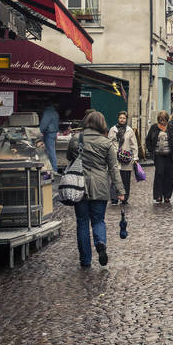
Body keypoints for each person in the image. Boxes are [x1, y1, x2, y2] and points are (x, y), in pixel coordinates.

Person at [67, 111, 124, 267]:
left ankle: (85, 260)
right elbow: (113, 168)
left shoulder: (76, 139)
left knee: (82, 222)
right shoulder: (106, 143)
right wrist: (120, 190)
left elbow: (69, 158)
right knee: (98, 220)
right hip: (100, 186)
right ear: (101, 124)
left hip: (79, 185)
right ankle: (100, 243)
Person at [145, 110, 173, 203]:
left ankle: (167, 196)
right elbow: (148, 140)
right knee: (159, 174)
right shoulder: (154, 128)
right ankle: (158, 195)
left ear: (167, 119)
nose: (162, 122)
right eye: (161, 120)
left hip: (170, 156)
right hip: (158, 156)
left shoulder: (172, 128)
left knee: (169, 176)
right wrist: (151, 150)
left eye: (164, 120)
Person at [107, 111, 138, 205]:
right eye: (120, 118)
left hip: (126, 159)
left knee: (125, 179)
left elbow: (134, 145)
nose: (122, 119)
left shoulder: (130, 130)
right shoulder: (113, 129)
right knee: (114, 178)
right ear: (118, 118)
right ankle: (114, 198)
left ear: (126, 119)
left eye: (124, 118)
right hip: (115, 158)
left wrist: (135, 157)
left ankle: (124, 198)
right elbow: (109, 142)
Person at [39, 103, 60, 172]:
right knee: (52, 152)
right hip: (53, 133)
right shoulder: (55, 112)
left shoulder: (47, 113)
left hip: (49, 134)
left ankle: (54, 170)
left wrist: (38, 131)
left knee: (51, 153)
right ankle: (53, 169)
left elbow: (43, 124)